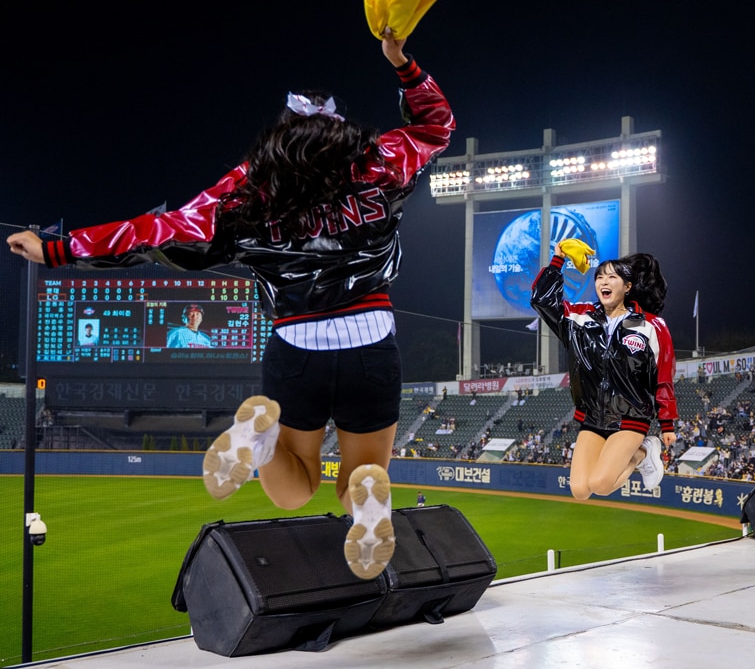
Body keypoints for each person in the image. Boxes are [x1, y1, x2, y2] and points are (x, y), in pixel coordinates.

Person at [7, 30, 454, 579]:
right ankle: (366, 496)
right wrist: (401, 63)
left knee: (295, 490)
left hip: (296, 348)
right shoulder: (379, 162)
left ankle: (260, 442)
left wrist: (58, 247)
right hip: (371, 341)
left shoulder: (246, 189)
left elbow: (155, 231)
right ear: (338, 126)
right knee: (359, 475)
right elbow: (436, 126)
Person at [530, 245, 677, 499]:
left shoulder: (652, 326)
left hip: (630, 415)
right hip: (592, 417)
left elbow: (663, 377)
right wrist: (559, 258)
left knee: (601, 484)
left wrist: (666, 423)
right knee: (579, 491)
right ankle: (640, 453)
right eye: (599, 276)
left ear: (627, 286)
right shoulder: (579, 320)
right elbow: (541, 301)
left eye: (612, 276)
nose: (603, 281)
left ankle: (643, 450)